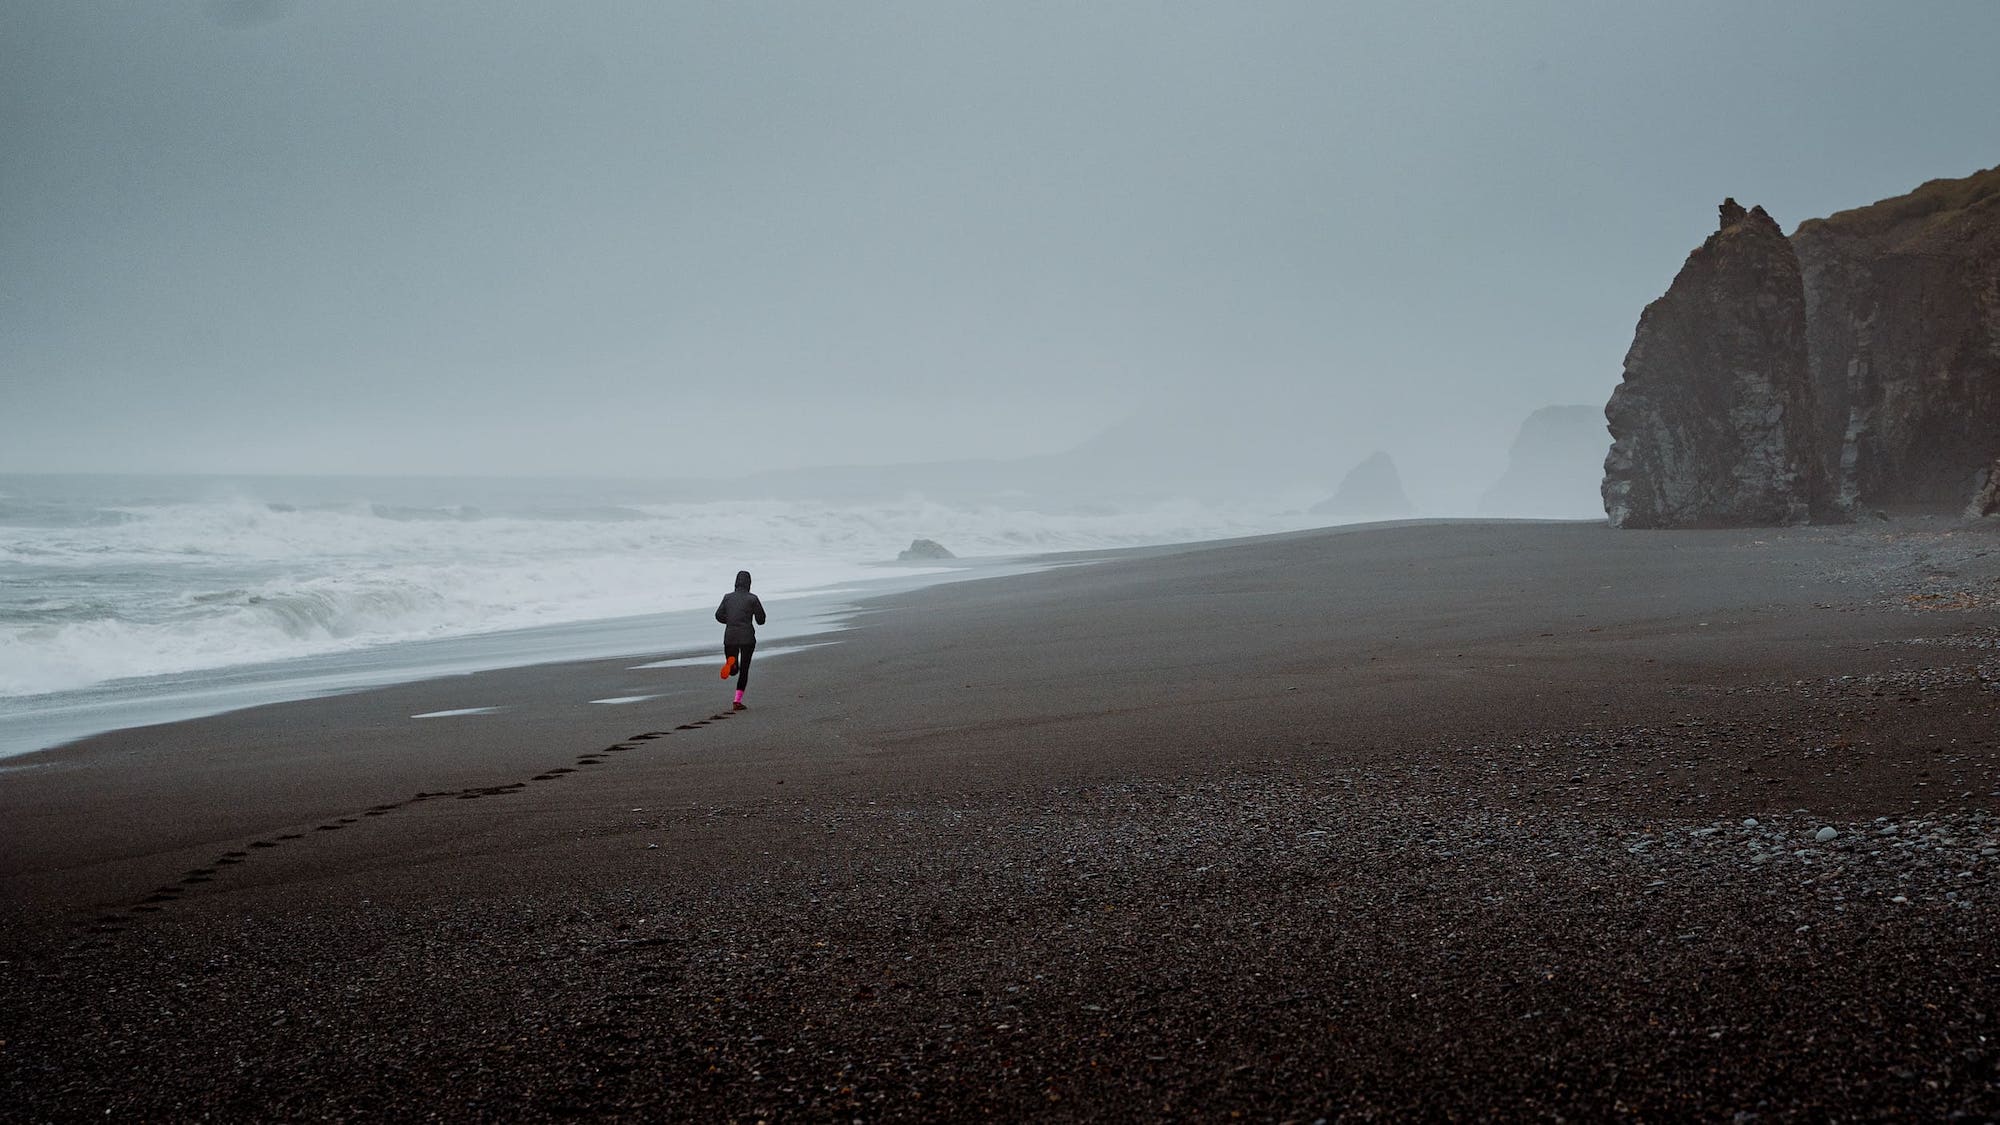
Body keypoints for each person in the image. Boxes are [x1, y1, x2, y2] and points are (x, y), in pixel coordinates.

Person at [714, 569, 766, 710]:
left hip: (730, 637)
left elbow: (718, 615)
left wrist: (731, 620)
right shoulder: (752, 599)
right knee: (744, 670)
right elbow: (761, 620)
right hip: (747, 638)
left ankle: (731, 666)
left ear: (736, 583)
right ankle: (737, 701)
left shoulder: (727, 597)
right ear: (749, 583)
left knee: (734, 669)